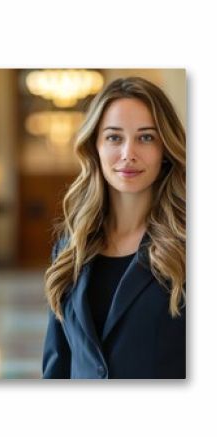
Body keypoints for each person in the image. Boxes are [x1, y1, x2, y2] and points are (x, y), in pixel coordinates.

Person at [42, 76, 186, 379]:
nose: (128, 153)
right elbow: (57, 366)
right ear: (95, 146)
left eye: (146, 137)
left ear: (165, 150)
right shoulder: (70, 247)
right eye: (114, 137)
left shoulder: (189, 247)